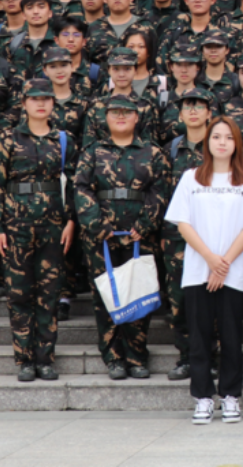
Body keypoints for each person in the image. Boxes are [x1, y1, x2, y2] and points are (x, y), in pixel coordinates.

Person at [165, 117, 243, 425]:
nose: (222, 142)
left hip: (232, 271)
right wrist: (210, 259)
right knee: (199, 336)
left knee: (232, 335)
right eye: (216, 137)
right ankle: (203, 398)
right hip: (199, 269)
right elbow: (183, 223)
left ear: (237, 143)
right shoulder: (191, 178)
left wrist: (223, 264)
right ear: (207, 142)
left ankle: (231, 395)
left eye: (229, 137)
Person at [74, 95, 172, 382]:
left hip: (139, 236)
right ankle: (113, 357)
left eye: (126, 113)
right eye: (115, 112)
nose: (120, 117)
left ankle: (136, 356)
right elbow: (81, 189)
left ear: (136, 118)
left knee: (139, 293)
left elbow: (161, 190)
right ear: (105, 118)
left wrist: (146, 224)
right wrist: (97, 224)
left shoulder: (153, 153)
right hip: (101, 238)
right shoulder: (93, 152)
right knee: (106, 296)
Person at [0, 79, 75, 382]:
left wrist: (71, 221)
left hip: (53, 227)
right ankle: (25, 359)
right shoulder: (7, 139)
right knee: (19, 293)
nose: (41, 103)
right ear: (24, 103)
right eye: (34, 99)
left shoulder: (63, 140)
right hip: (16, 227)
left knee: (49, 294)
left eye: (46, 98)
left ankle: (45, 358)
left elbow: (73, 184)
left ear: (53, 103)